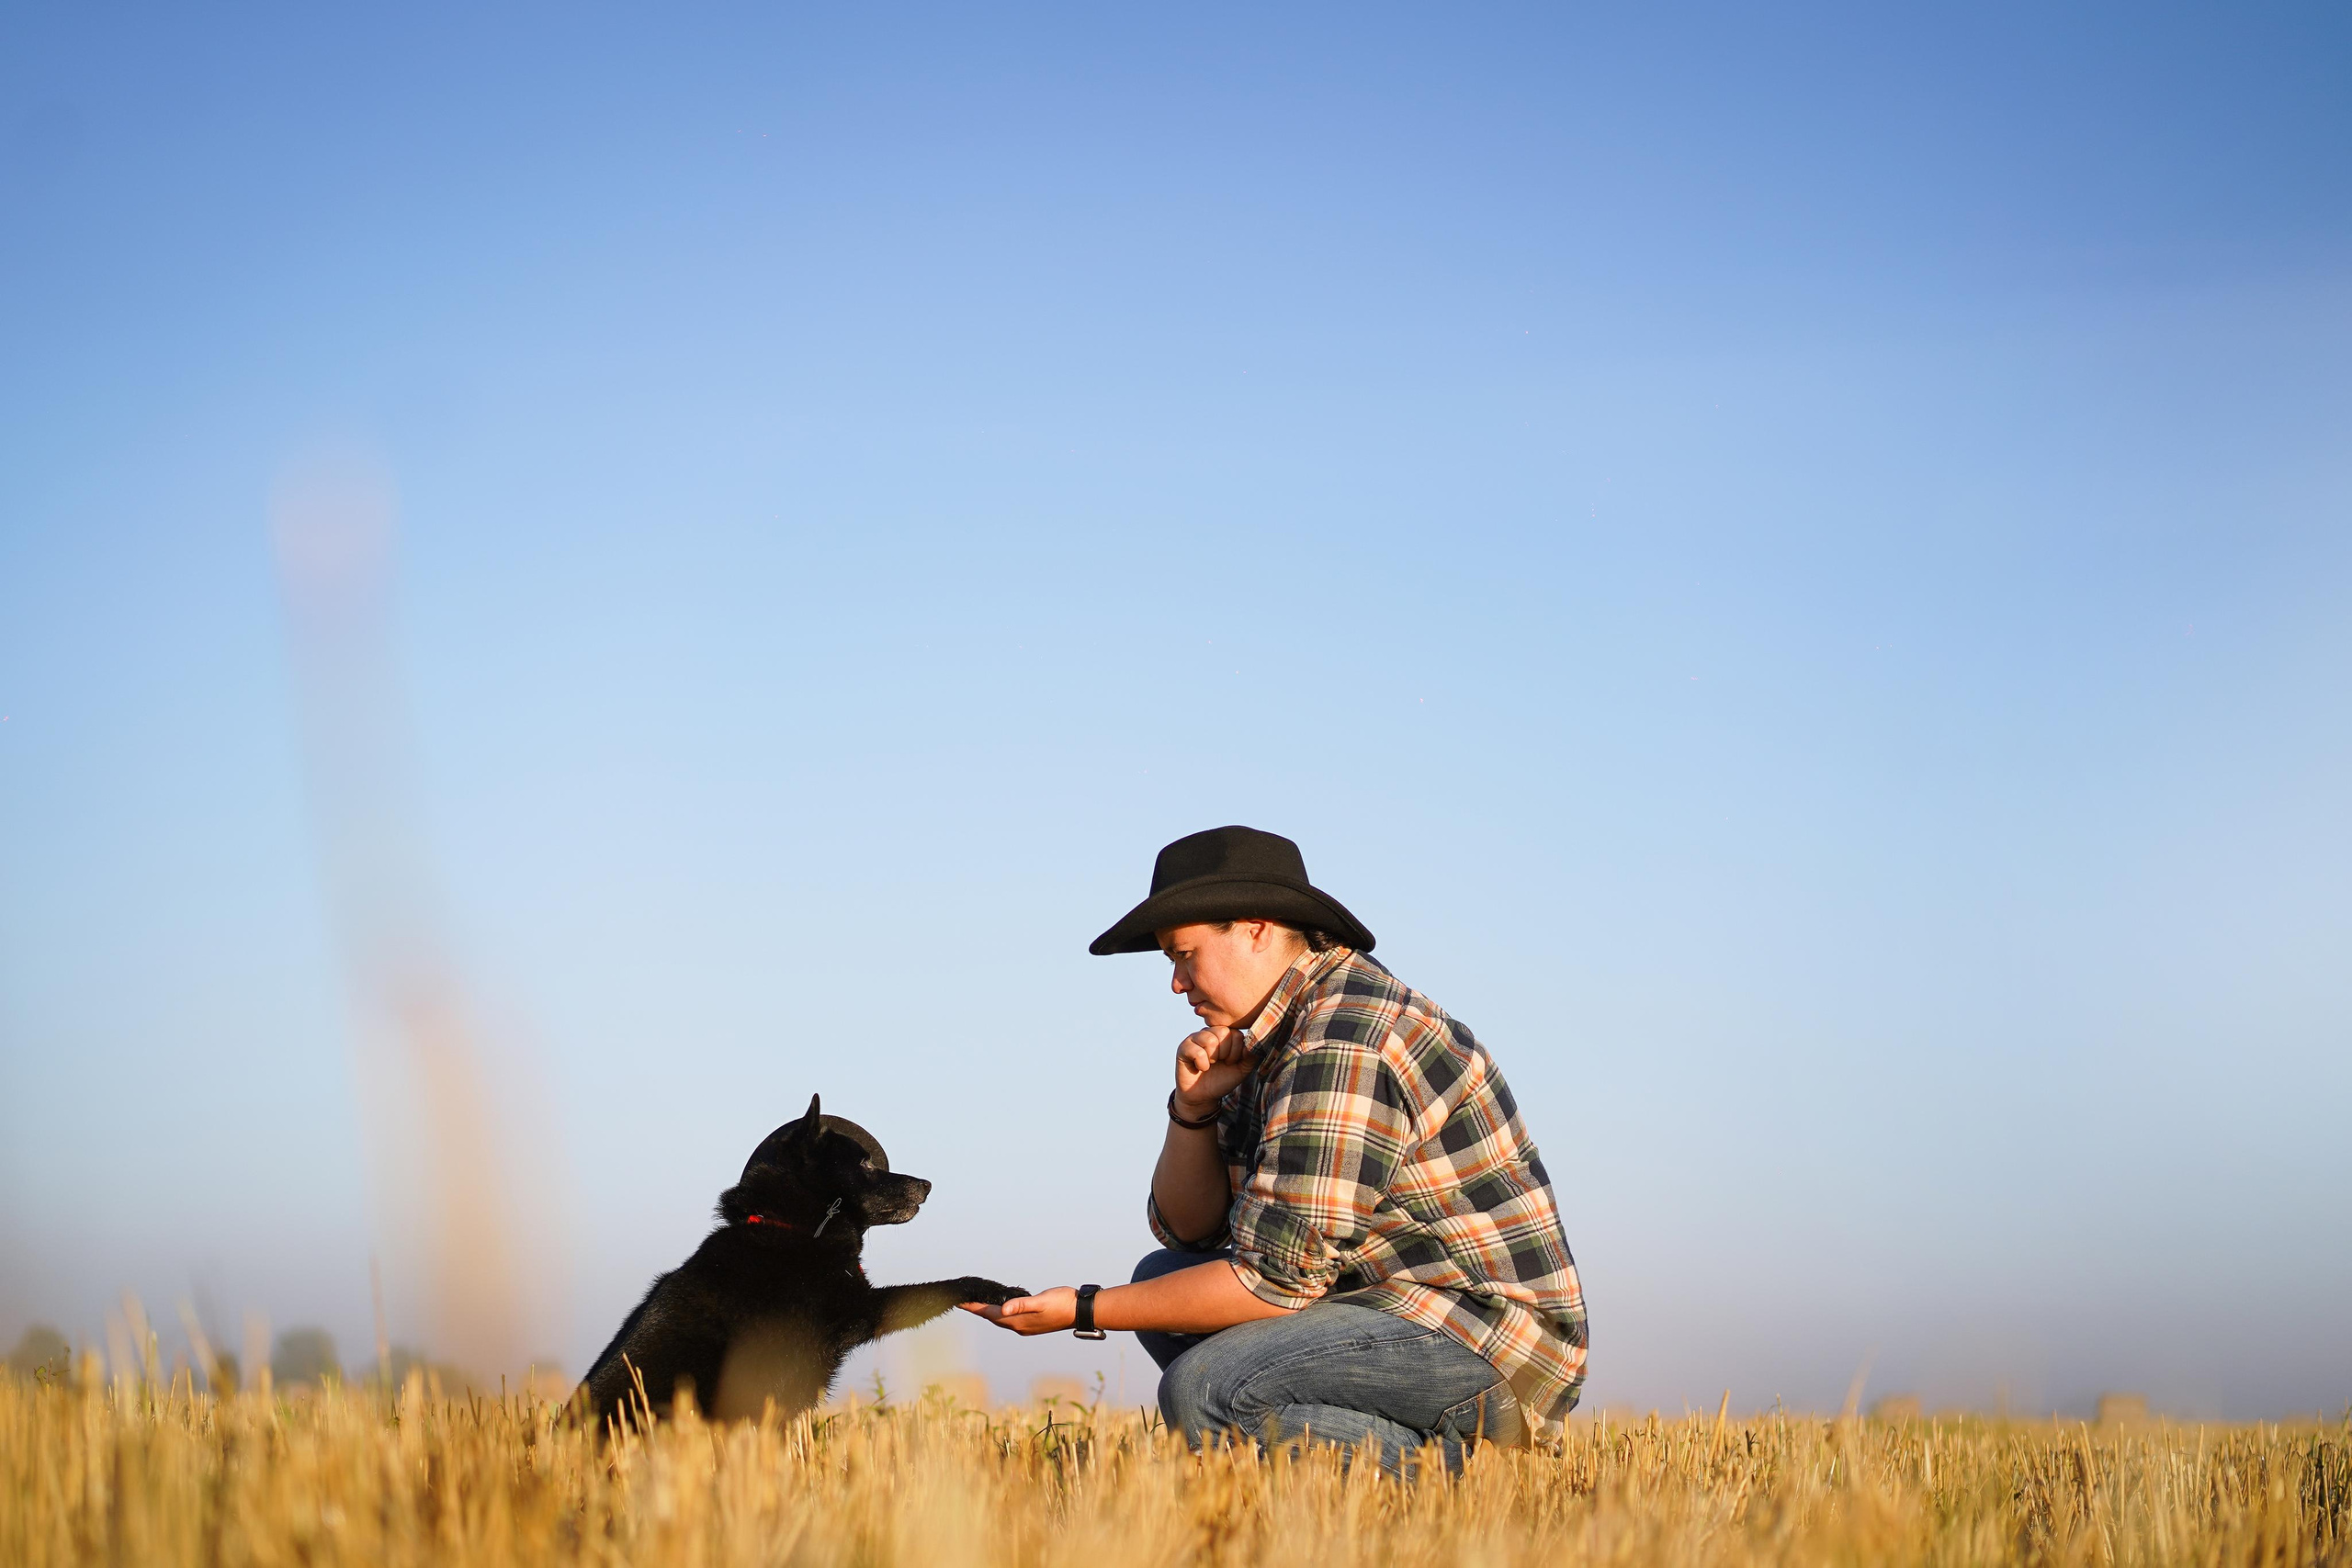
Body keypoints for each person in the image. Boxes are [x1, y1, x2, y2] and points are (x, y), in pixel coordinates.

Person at [967, 826, 1586, 1475]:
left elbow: (1272, 1280)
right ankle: (1425, 1470)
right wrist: (1194, 1111)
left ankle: (1462, 1485)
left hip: (1478, 1339)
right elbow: (1190, 1228)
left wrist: (1085, 1307)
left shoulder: (1343, 1038)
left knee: (1206, 1387)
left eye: (1184, 955)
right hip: (1377, 1311)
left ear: (1257, 928)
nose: (1177, 985)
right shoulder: (1272, 1036)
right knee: (1161, 1279)